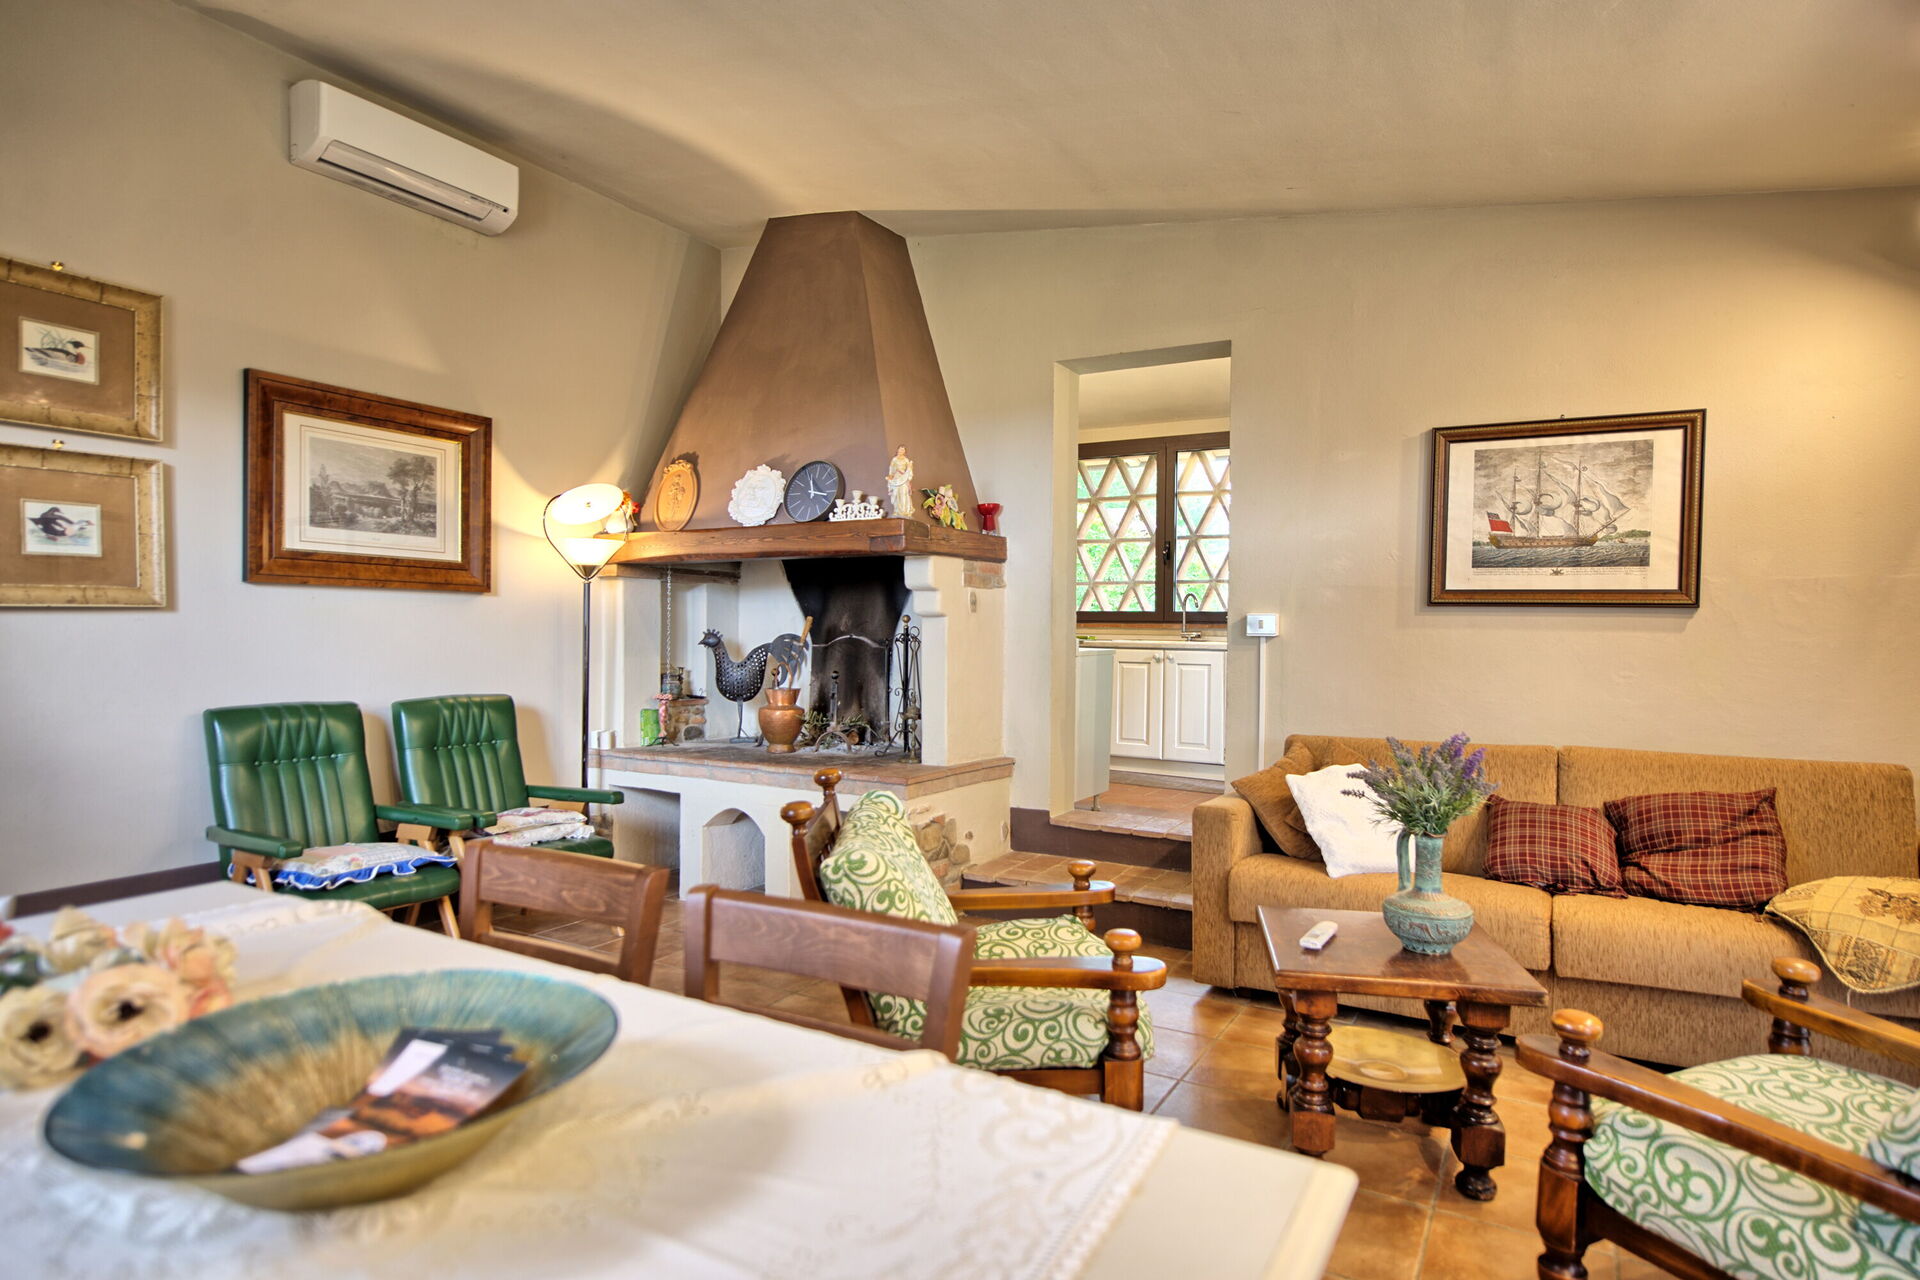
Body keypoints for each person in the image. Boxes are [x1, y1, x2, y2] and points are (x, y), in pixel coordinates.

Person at [886, 447, 914, 517]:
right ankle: (897, 510)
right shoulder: (894, 459)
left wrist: (910, 468)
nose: (901, 451)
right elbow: (891, 469)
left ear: (905, 451)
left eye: (903, 450)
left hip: (903, 478)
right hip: (896, 478)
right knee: (896, 493)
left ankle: (904, 511)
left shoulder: (906, 460)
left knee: (903, 493)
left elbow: (909, 469)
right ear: (897, 450)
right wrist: (890, 476)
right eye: (900, 449)